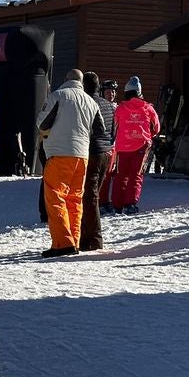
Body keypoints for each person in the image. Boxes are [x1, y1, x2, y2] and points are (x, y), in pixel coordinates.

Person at [35, 69, 103, 257]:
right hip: (82, 156)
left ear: (65, 79)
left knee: (56, 198)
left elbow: (42, 124)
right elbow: (100, 130)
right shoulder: (91, 102)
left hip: (59, 153)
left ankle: (62, 243)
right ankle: (74, 239)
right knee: (75, 200)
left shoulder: (57, 96)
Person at [111, 76, 161, 215]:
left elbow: (115, 125)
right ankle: (130, 204)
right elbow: (156, 127)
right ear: (139, 92)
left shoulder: (120, 108)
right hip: (141, 146)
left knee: (120, 175)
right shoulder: (148, 108)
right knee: (135, 175)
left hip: (122, 147)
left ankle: (117, 205)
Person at [80, 72, 114, 252]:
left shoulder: (85, 103)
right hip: (106, 153)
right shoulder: (109, 105)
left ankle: (93, 239)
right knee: (93, 196)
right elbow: (113, 130)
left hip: (91, 152)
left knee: (90, 197)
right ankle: (87, 237)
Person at [97, 80, 119, 213]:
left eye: (113, 91)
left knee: (110, 175)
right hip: (104, 145)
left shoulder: (117, 107)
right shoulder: (100, 106)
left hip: (115, 145)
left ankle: (106, 200)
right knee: (103, 175)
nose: (111, 94)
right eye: (108, 92)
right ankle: (101, 201)